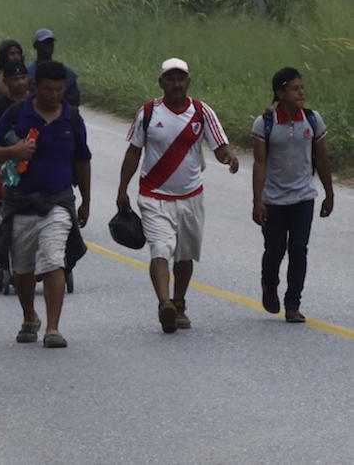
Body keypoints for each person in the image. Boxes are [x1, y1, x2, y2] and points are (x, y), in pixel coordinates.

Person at [117, 57, 239, 334]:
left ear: (188, 82)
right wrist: (122, 188)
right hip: (154, 196)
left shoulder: (201, 112)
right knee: (160, 248)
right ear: (161, 83)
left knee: (184, 256)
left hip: (190, 196)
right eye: (170, 79)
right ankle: (165, 305)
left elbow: (220, 145)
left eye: (181, 79)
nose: (176, 84)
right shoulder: (148, 113)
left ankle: (179, 303)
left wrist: (229, 157)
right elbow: (133, 152)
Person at [0, 61, 91, 348]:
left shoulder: (73, 118)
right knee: (22, 268)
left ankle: (53, 328)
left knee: (54, 259)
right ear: (35, 87)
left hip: (58, 199)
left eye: (59, 90)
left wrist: (86, 200)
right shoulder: (17, 113)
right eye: (48, 89)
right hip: (21, 201)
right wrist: (14, 151)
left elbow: (82, 161)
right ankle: (29, 316)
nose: (54, 95)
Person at [252, 67, 334, 323]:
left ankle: (293, 304)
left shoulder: (312, 120)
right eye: (295, 88)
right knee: (274, 250)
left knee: (299, 250)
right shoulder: (265, 123)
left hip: (303, 198)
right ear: (280, 93)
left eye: (302, 88)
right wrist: (258, 200)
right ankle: (269, 285)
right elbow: (260, 163)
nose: (301, 93)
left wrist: (329, 193)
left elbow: (321, 158)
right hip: (274, 200)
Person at [0, 60, 31, 150]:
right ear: (5, 81)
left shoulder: (37, 103)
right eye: (15, 79)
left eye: (23, 78)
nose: (20, 82)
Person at [26, 29, 80, 107]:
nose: (48, 47)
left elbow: (75, 100)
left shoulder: (67, 72)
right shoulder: (28, 72)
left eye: (50, 43)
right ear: (35, 46)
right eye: (44, 44)